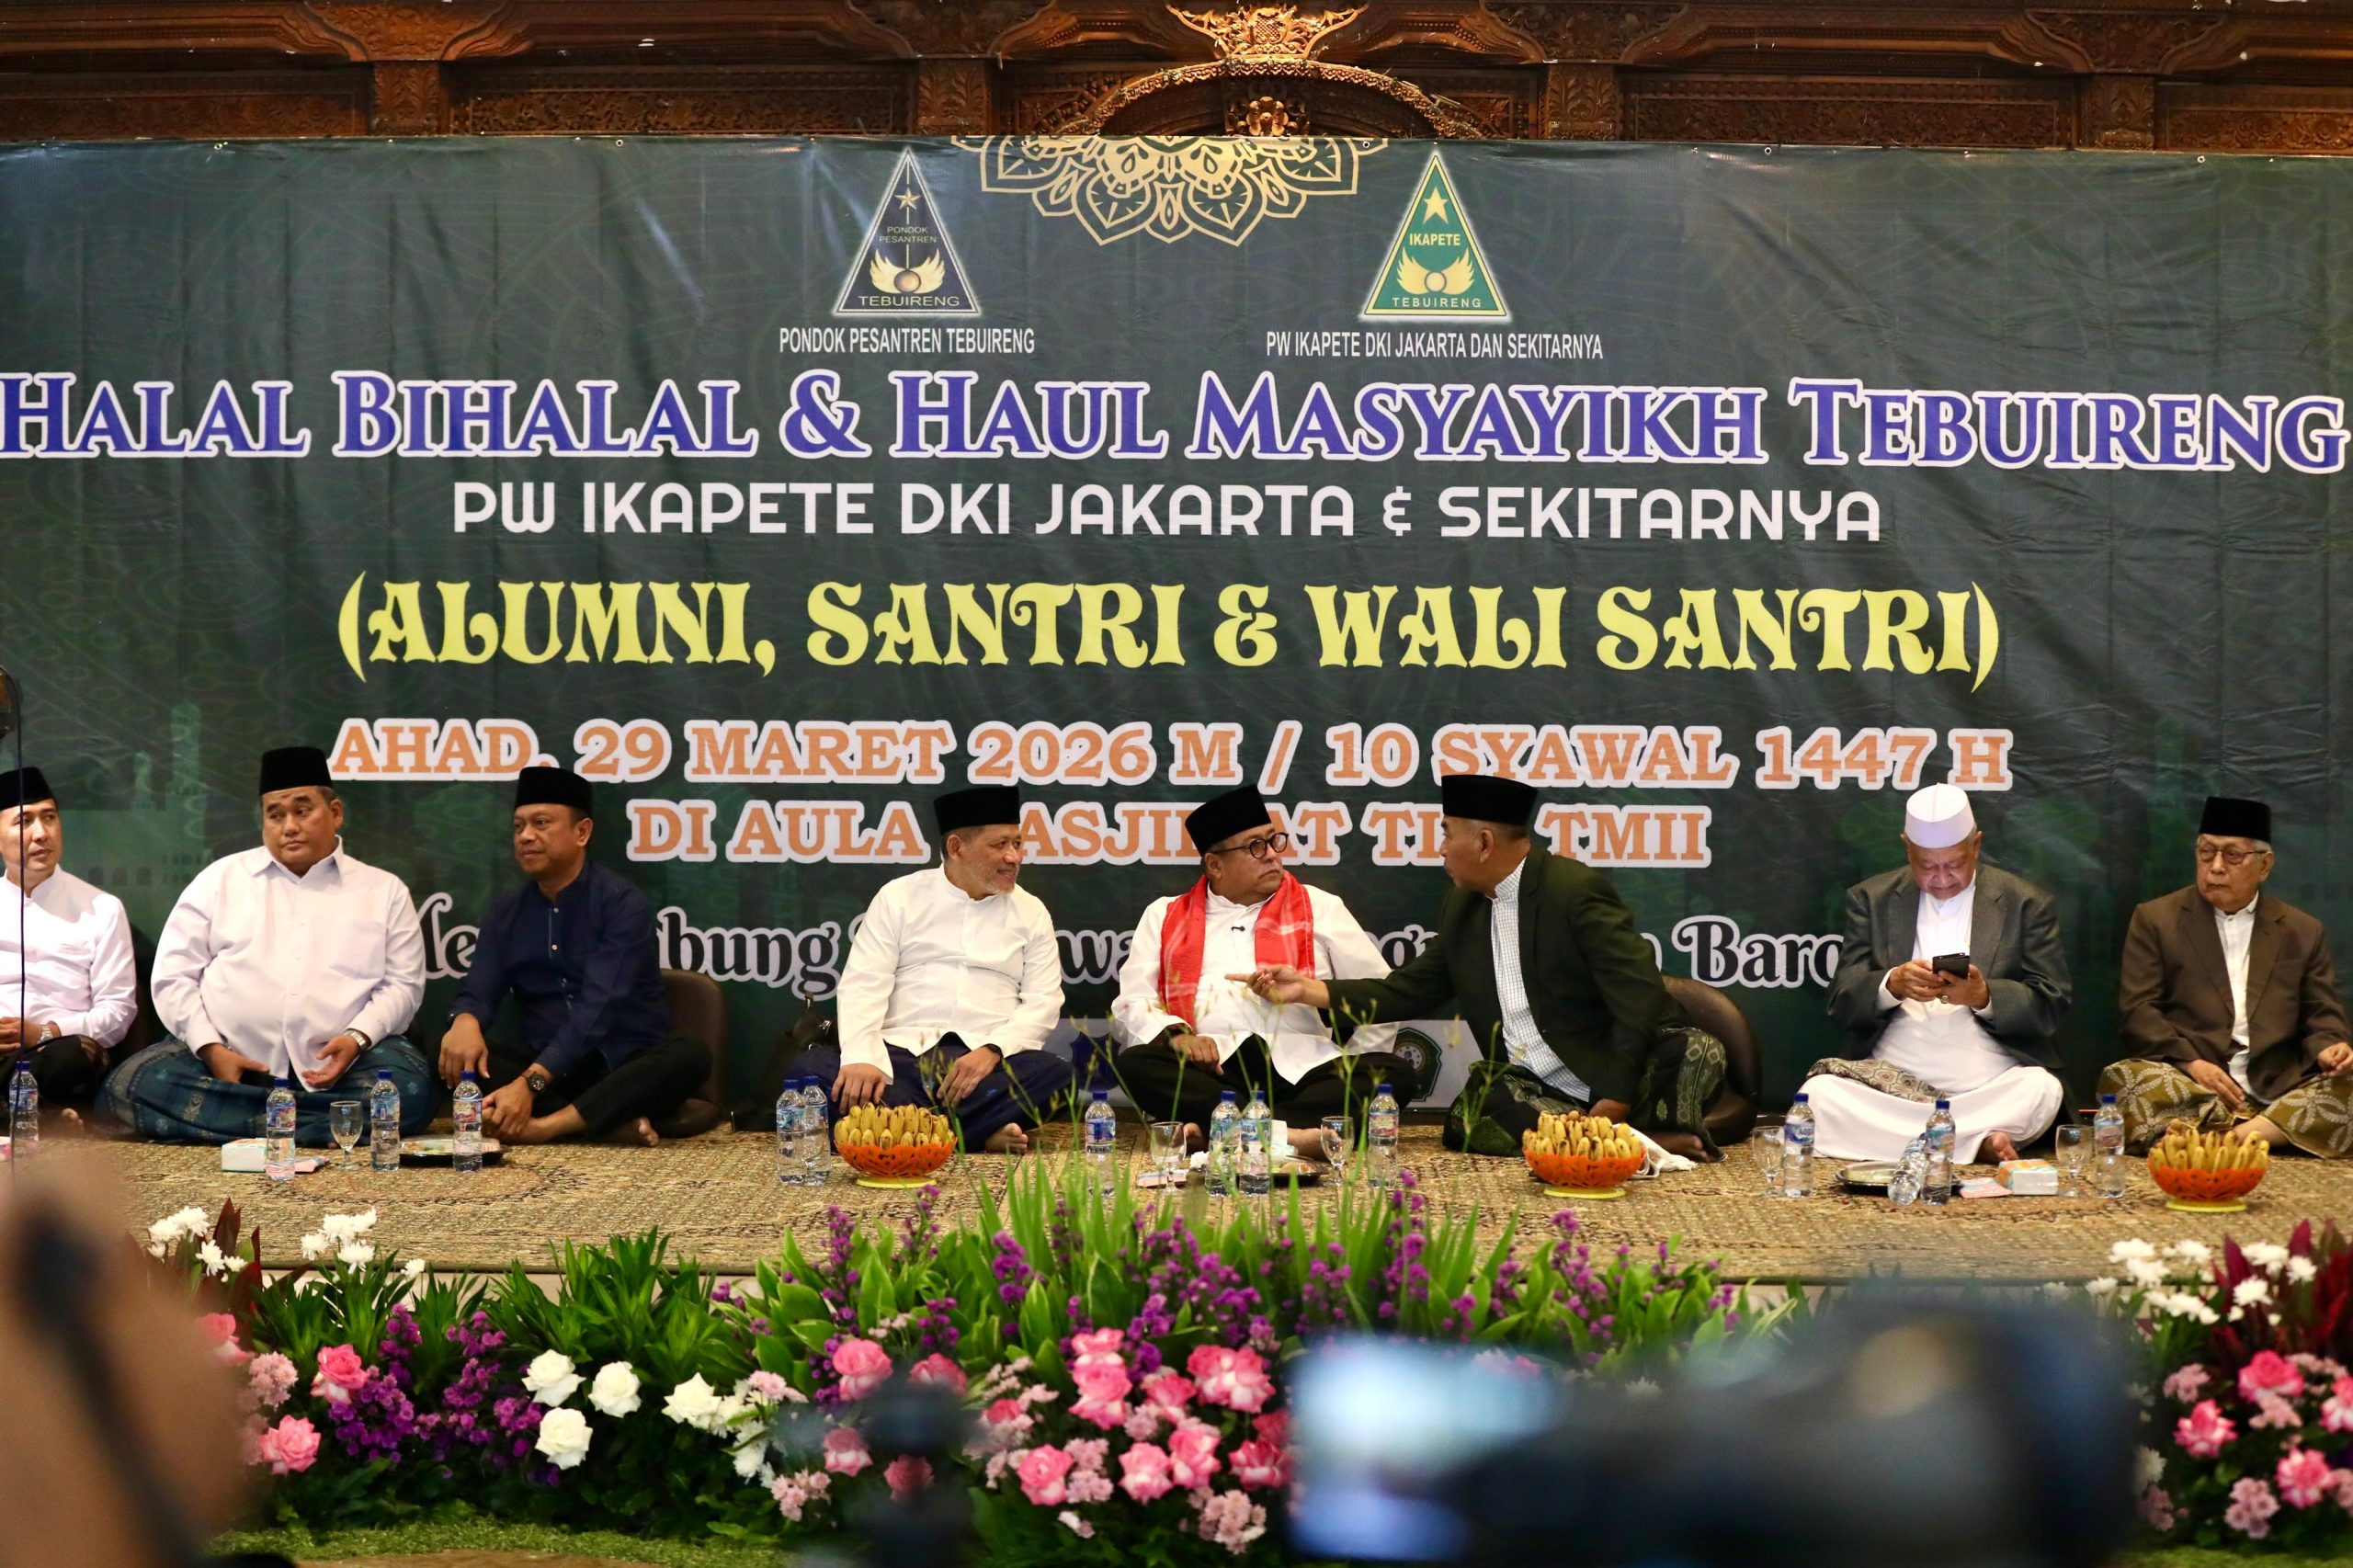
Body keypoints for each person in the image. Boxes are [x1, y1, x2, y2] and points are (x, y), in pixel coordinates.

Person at [1239, 773, 1723, 1159]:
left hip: (1607, 1065)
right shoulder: (1463, 906)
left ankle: (1604, 1133)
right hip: (1535, 1086)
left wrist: (1616, 1096)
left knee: (1696, 1051)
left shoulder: (1573, 892)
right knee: (1474, 1113)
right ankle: (1634, 1141)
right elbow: (1411, 989)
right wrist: (1308, 991)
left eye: (1447, 834)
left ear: (1485, 843)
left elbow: (1639, 996)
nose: (1440, 848)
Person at [100, 746, 432, 1144]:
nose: (289, 826)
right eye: (275, 815)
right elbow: (173, 977)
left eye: (302, 811)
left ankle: (247, 1121)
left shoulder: (383, 891)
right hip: (229, 1061)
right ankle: (322, 1124)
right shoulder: (219, 880)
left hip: (344, 1066)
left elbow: (402, 986)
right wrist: (210, 1049)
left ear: (335, 812)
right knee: (128, 1087)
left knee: (411, 1093)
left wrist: (357, 1038)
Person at [1111, 784, 1405, 1144]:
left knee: (1394, 1074)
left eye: (1273, 841)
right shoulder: (1164, 915)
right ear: (1215, 865)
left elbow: (1379, 997)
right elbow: (1132, 1002)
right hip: (1214, 1071)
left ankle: (1223, 1130)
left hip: (1305, 1070)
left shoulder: (1319, 907)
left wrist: (1351, 1062)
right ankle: (1293, 1136)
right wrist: (1177, 1037)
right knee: (1136, 1064)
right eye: (1255, 846)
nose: (1272, 856)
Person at [438, 766, 711, 1146]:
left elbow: (596, 1012)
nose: (526, 836)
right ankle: (601, 1122)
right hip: (547, 1072)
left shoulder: (621, 903)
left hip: (620, 1067)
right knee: (447, 1051)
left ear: (581, 832)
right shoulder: (506, 913)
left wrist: (528, 1086)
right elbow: (479, 989)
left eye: (541, 823)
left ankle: (545, 1127)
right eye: (518, 827)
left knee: (690, 1055)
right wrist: (466, 1020)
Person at [802, 785, 1074, 1154]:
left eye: (1017, 844)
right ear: (956, 848)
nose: (1014, 857)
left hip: (983, 1066)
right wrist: (862, 1058)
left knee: (1057, 1075)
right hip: (899, 1058)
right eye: (1000, 845)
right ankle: (972, 1135)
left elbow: (1044, 1001)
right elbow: (865, 983)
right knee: (808, 1072)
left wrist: (992, 1049)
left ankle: (898, 1132)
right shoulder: (899, 897)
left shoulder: (1031, 912)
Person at [1811, 785, 2071, 1165]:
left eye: (1954, 864)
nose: (1943, 878)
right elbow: (1842, 1002)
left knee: (2041, 1089)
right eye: (1928, 867)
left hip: (1987, 1085)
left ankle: (1936, 1139)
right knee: (1820, 1095)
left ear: (1976, 846)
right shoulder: (1871, 899)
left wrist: (1984, 997)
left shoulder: (2025, 902)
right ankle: (1972, 1141)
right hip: (1891, 1086)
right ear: (1907, 848)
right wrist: (1891, 985)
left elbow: (2052, 1004)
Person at [2101, 796, 2353, 1155]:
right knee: (2128, 1079)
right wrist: (2192, 1064)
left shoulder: (2301, 930)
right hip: (2193, 1081)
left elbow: (2321, 1013)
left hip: (2279, 1084)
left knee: (2347, 1086)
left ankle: (2229, 1137)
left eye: (2232, 856)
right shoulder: (2156, 919)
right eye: (2206, 853)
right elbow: (2139, 1011)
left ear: (2264, 865)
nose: (2216, 867)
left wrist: (2330, 1048)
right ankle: (2262, 1132)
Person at [0, 767, 136, 1126]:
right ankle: (40, 1118)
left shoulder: (102, 908)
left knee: (72, 1057)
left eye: (49, 818)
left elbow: (118, 1013)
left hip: (57, 1052)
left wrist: (44, 1032)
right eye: (24, 822)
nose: (41, 833)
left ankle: (16, 1113)